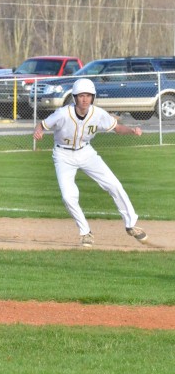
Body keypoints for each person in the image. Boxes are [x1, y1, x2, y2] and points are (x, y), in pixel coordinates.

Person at [33, 78, 148, 247]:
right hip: (63, 155)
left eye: (88, 95)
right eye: (81, 95)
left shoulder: (98, 113)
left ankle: (131, 224)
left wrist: (131, 130)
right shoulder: (63, 113)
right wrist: (38, 131)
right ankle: (86, 232)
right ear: (74, 97)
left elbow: (116, 128)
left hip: (86, 152)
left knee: (114, 185)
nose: (85, 99)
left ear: (93, 97)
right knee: (68, 196)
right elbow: (42, 125)